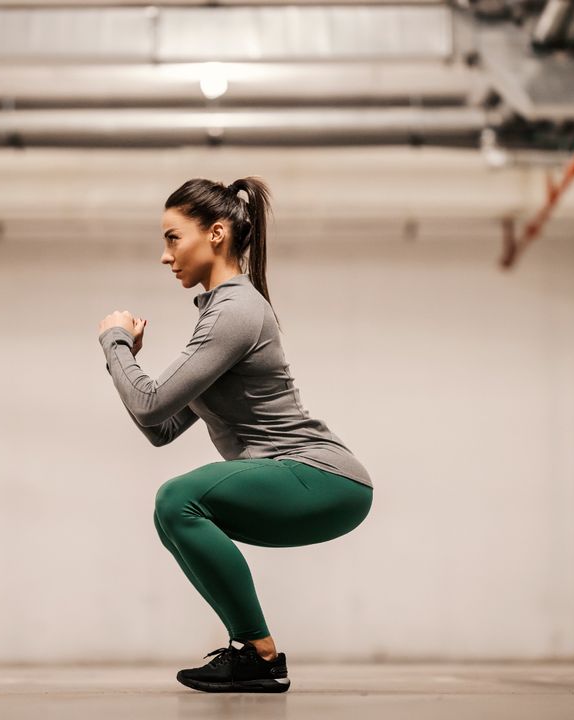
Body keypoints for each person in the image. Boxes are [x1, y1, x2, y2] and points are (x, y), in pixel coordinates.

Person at [96, 176, 373, 693]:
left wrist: (113, 341)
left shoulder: (235, 311)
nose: (164, 255)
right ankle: (255, 655)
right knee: (173, 511)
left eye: (173, 237)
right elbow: (161, 426)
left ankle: (258, 654)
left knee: (177, 498)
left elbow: (148, 401)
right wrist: (125, 359)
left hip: (323, 476)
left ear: (217, 234)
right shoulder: (221, 318)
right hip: (305, 479)